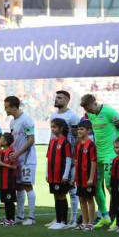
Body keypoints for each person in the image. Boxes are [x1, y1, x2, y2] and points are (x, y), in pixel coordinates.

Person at [80, 94, 119, 229]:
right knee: (95, 186)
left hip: (110, 154)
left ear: (94, 103)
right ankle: (105, 216)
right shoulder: (89, 115)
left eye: (88, 108)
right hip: (97, 155)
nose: (88, 112)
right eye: (85, 109)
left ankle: (118, 218)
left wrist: (117, 146)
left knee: (111, 186)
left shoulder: (110, 112)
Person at [51, 90, 82, 227]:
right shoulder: (53, 115)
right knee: (58, 188)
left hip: (67, 156)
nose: (56, 99)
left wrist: (75, 155)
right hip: (55, 155)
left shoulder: (73, 116)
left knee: (70, 187)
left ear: (67, 100)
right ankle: (60, 218)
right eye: (56, 97)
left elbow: (76, 136)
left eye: (60, 97)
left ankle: (73, 219)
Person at [5, 96, 36, 225]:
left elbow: (31, 139)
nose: (5, 109)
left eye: (6, 106)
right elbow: (13, 141)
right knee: (19, 187)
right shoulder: (12, 122)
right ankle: (20, 215)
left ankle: (32, 217)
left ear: (13, 107)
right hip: (16, 159)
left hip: (27, 159)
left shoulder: (26, 120)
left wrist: (18, 153)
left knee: (27, 186)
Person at [46, 118, 73, 230]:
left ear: (61, 128)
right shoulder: (52, 141)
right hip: (52, 175)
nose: (52, 129)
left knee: (62, 195)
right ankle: (57, 220)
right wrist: (47, 173)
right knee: (56, 196)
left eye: (54, 127)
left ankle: (64, 221)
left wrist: (66, 175)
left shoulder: (65, 142)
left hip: (60, 174)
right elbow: (48, 158)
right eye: (51, 127)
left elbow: (68, 159)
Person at [73, 121, 97, 231]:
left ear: (88, 131)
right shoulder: (78, 144)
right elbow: (77, 161)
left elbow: (93, 161)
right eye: (78, 129)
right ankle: (84, 222)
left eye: (82, 129)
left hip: (87, 176)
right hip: (80, 177)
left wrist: (91, 177)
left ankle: (91, 223)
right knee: (81, 199)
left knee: (89, 198)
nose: (79, 131)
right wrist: (74, 177)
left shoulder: (91, 144)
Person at [0, 133, 18, 226]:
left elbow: (14, 167)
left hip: (9, 180)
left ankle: (11, 219)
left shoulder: (11, 152)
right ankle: (7, 219)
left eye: (1, 139)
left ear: (6, 141)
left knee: (10, 200)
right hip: (3, 180)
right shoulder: (3, 152)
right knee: (5, 200)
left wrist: (2, 164)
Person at [107, 139, 119, 232]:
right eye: (114, 147)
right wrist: (111, 186)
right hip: (115, 185)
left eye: (117, 147)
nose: (115, 149)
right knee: (116, 204)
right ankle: (117, 223)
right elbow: (113, 174)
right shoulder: (115, 160)